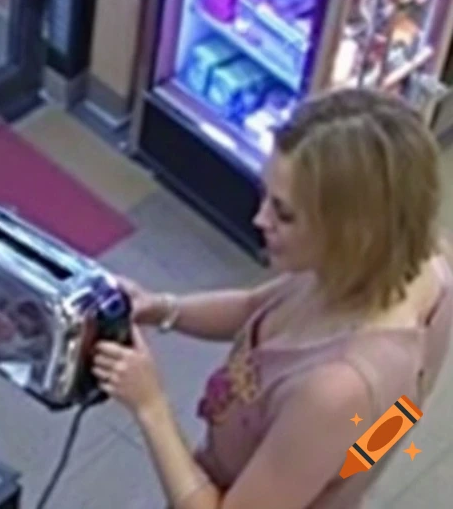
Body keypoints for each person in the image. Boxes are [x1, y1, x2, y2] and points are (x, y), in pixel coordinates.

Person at [92, 88, 453, 508]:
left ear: (352, 232)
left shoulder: (336, 389)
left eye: (284, 213)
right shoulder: (408, 259)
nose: (259, 219)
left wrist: (150, 405)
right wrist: (163, 308)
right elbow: (255, 307)